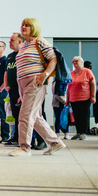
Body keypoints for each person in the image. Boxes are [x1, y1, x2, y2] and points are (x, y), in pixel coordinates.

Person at [9, 18, 66, 156]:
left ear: (34, 27)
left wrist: (44, 75)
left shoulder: (39, 41)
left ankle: (24, 147)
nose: (24, 27)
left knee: (25, 115)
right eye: (22, 24)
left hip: (35, 82)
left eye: (27, 25)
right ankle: (55, 142)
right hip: (23, 84)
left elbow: (53, 59)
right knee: (35, 117)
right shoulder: (23, 45)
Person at [67, 56, 96, 140]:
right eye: (73, 62)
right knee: (76, 116)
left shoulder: (87, 71)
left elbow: (93, 84)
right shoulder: (71, 73)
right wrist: (67, 99)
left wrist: (93, 96)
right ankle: (78, 132)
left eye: (77, 61)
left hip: (85, 98)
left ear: (82, 62)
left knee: (84, 115)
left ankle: (84, 132)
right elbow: (68, 87)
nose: (75, 63)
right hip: (73, 98)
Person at [1, 33, 22, 147]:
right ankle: (15, 138)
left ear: (19, 41)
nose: (9, 43)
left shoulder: (23, 54)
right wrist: (6, 85)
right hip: (12, 90)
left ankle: (24, 139)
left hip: (21, 89)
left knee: (22, 116)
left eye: (12, 40)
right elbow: (6, 71)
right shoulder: (9, 56)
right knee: (14, 115)